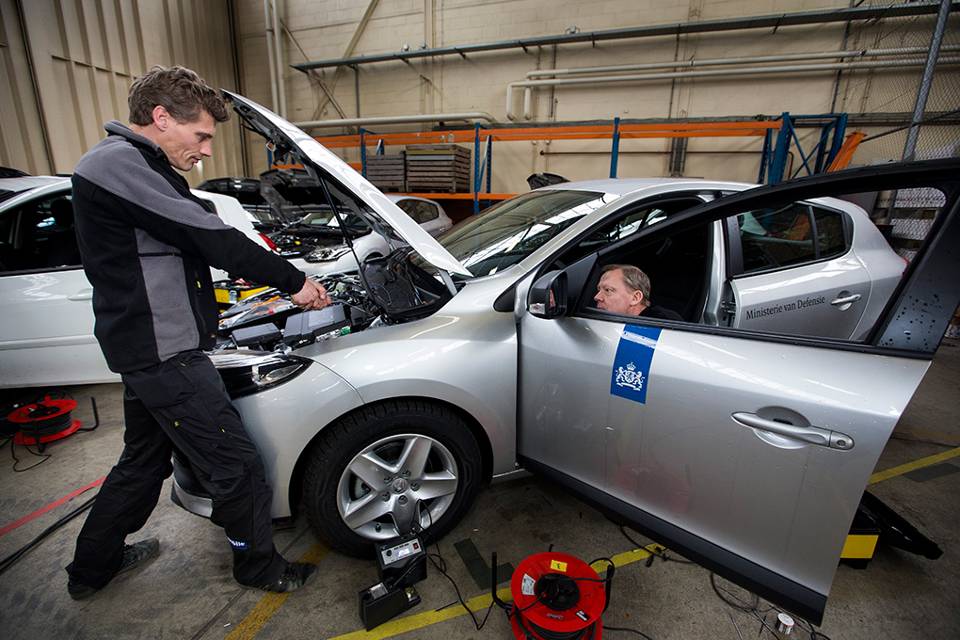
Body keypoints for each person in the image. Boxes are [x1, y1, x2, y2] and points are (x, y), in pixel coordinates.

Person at [66, 66, 329, 600]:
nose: (206, 151)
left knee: (142, 462)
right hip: (164, 354)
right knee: (237, 465)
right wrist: (294, 281)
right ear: (161, 117)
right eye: (201, 135)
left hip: (148, 348)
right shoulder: (117, 163)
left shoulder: (141, 164)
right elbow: (206, 234)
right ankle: (257, 566)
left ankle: (92, 569)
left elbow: (176, 244)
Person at [593, 264, 683, 320]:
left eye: (608, 290)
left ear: (635, 298)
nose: (596, 297)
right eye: (599, 289)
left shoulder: (663, 323)